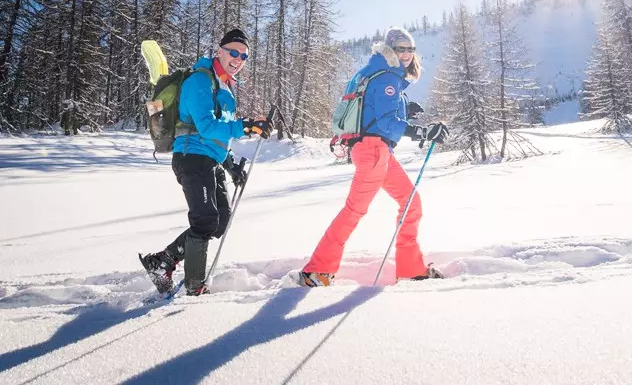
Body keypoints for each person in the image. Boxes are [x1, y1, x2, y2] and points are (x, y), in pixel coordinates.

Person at [299, 27, 449, 286]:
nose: (406, 54)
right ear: (390, 49)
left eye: (410, 49)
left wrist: (404, 107)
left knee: (411, 202)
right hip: (374, 151)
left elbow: (373, 108)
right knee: (354, 210)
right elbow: (384, 122)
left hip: (374, 151)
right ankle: (317, 270)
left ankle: (411, 269)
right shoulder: (387, 78)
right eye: (401, 48)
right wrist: (421, 131)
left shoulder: (374, 71)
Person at [140, 28, 273, 295]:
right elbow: (207, 127)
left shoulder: (225, 88)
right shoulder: (200, 81)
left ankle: (163, 260)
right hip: (191, 157)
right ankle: (195, 288)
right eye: (233, 52)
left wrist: (231, 165)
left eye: (244, 56)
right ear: (220, 51)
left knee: (220, 221)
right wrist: (245, 126)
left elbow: (219, 138)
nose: (238, 59)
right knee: (204, 221)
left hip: (210, 160)